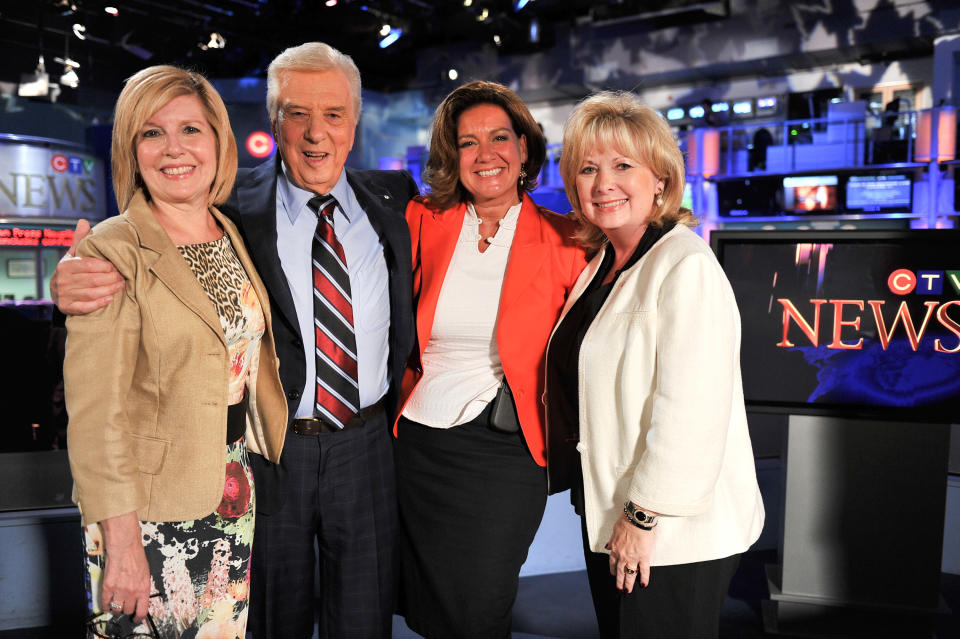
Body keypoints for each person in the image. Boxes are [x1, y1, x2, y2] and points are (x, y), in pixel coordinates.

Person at [53, 43, 418, 639]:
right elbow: (121, 305)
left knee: (364, 620)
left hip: (362, 446)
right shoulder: (231, 205)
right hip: (270, 456)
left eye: (333, 114)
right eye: (297, 113)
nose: (316, 133)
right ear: (273, 123)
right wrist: (68, 281)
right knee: (273, 621)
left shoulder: (393, 200)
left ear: (355, 121)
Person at [63, 65, 287, 639]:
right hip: (147, 515)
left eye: (191, 129)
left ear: (218, 140)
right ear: (130, 149)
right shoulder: (113, 248)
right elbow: (94, 418)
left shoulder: (226, 231)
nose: (174, 149)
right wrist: (122, 544)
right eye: (151, 133)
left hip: (230, 490)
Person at [545, 91, 765, 639]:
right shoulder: (602, 263)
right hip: (611, 516)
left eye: (623, 166)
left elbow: (691, 410)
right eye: (588, 169)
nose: (603, 184)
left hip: (666, 530)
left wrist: (643, 517)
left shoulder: (685, 264)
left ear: (660, 179)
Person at [395, 81, 586, 639]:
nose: (486, 155)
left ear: (524, 148)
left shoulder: (568, 240)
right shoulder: (421, 220)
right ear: (452, 155)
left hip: (505, 451)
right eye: (468, 142)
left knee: (481, 604)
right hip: (417, 444)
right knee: (430, 607)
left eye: (500, 138)